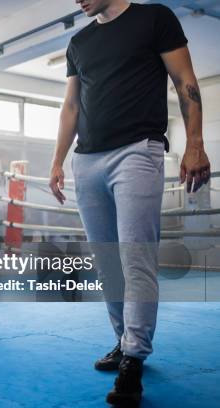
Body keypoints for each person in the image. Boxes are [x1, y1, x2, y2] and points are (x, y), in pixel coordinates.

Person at [49, 1, 210, 406]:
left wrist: (195, 143)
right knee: (107, 261)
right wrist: (57, 161)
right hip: (87, 160)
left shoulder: (154, 18)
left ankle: (134, 358)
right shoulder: (79, 41)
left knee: (135, 257)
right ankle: (123, 341)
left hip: (137, 151)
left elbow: (184, 79)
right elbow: (71, 105)